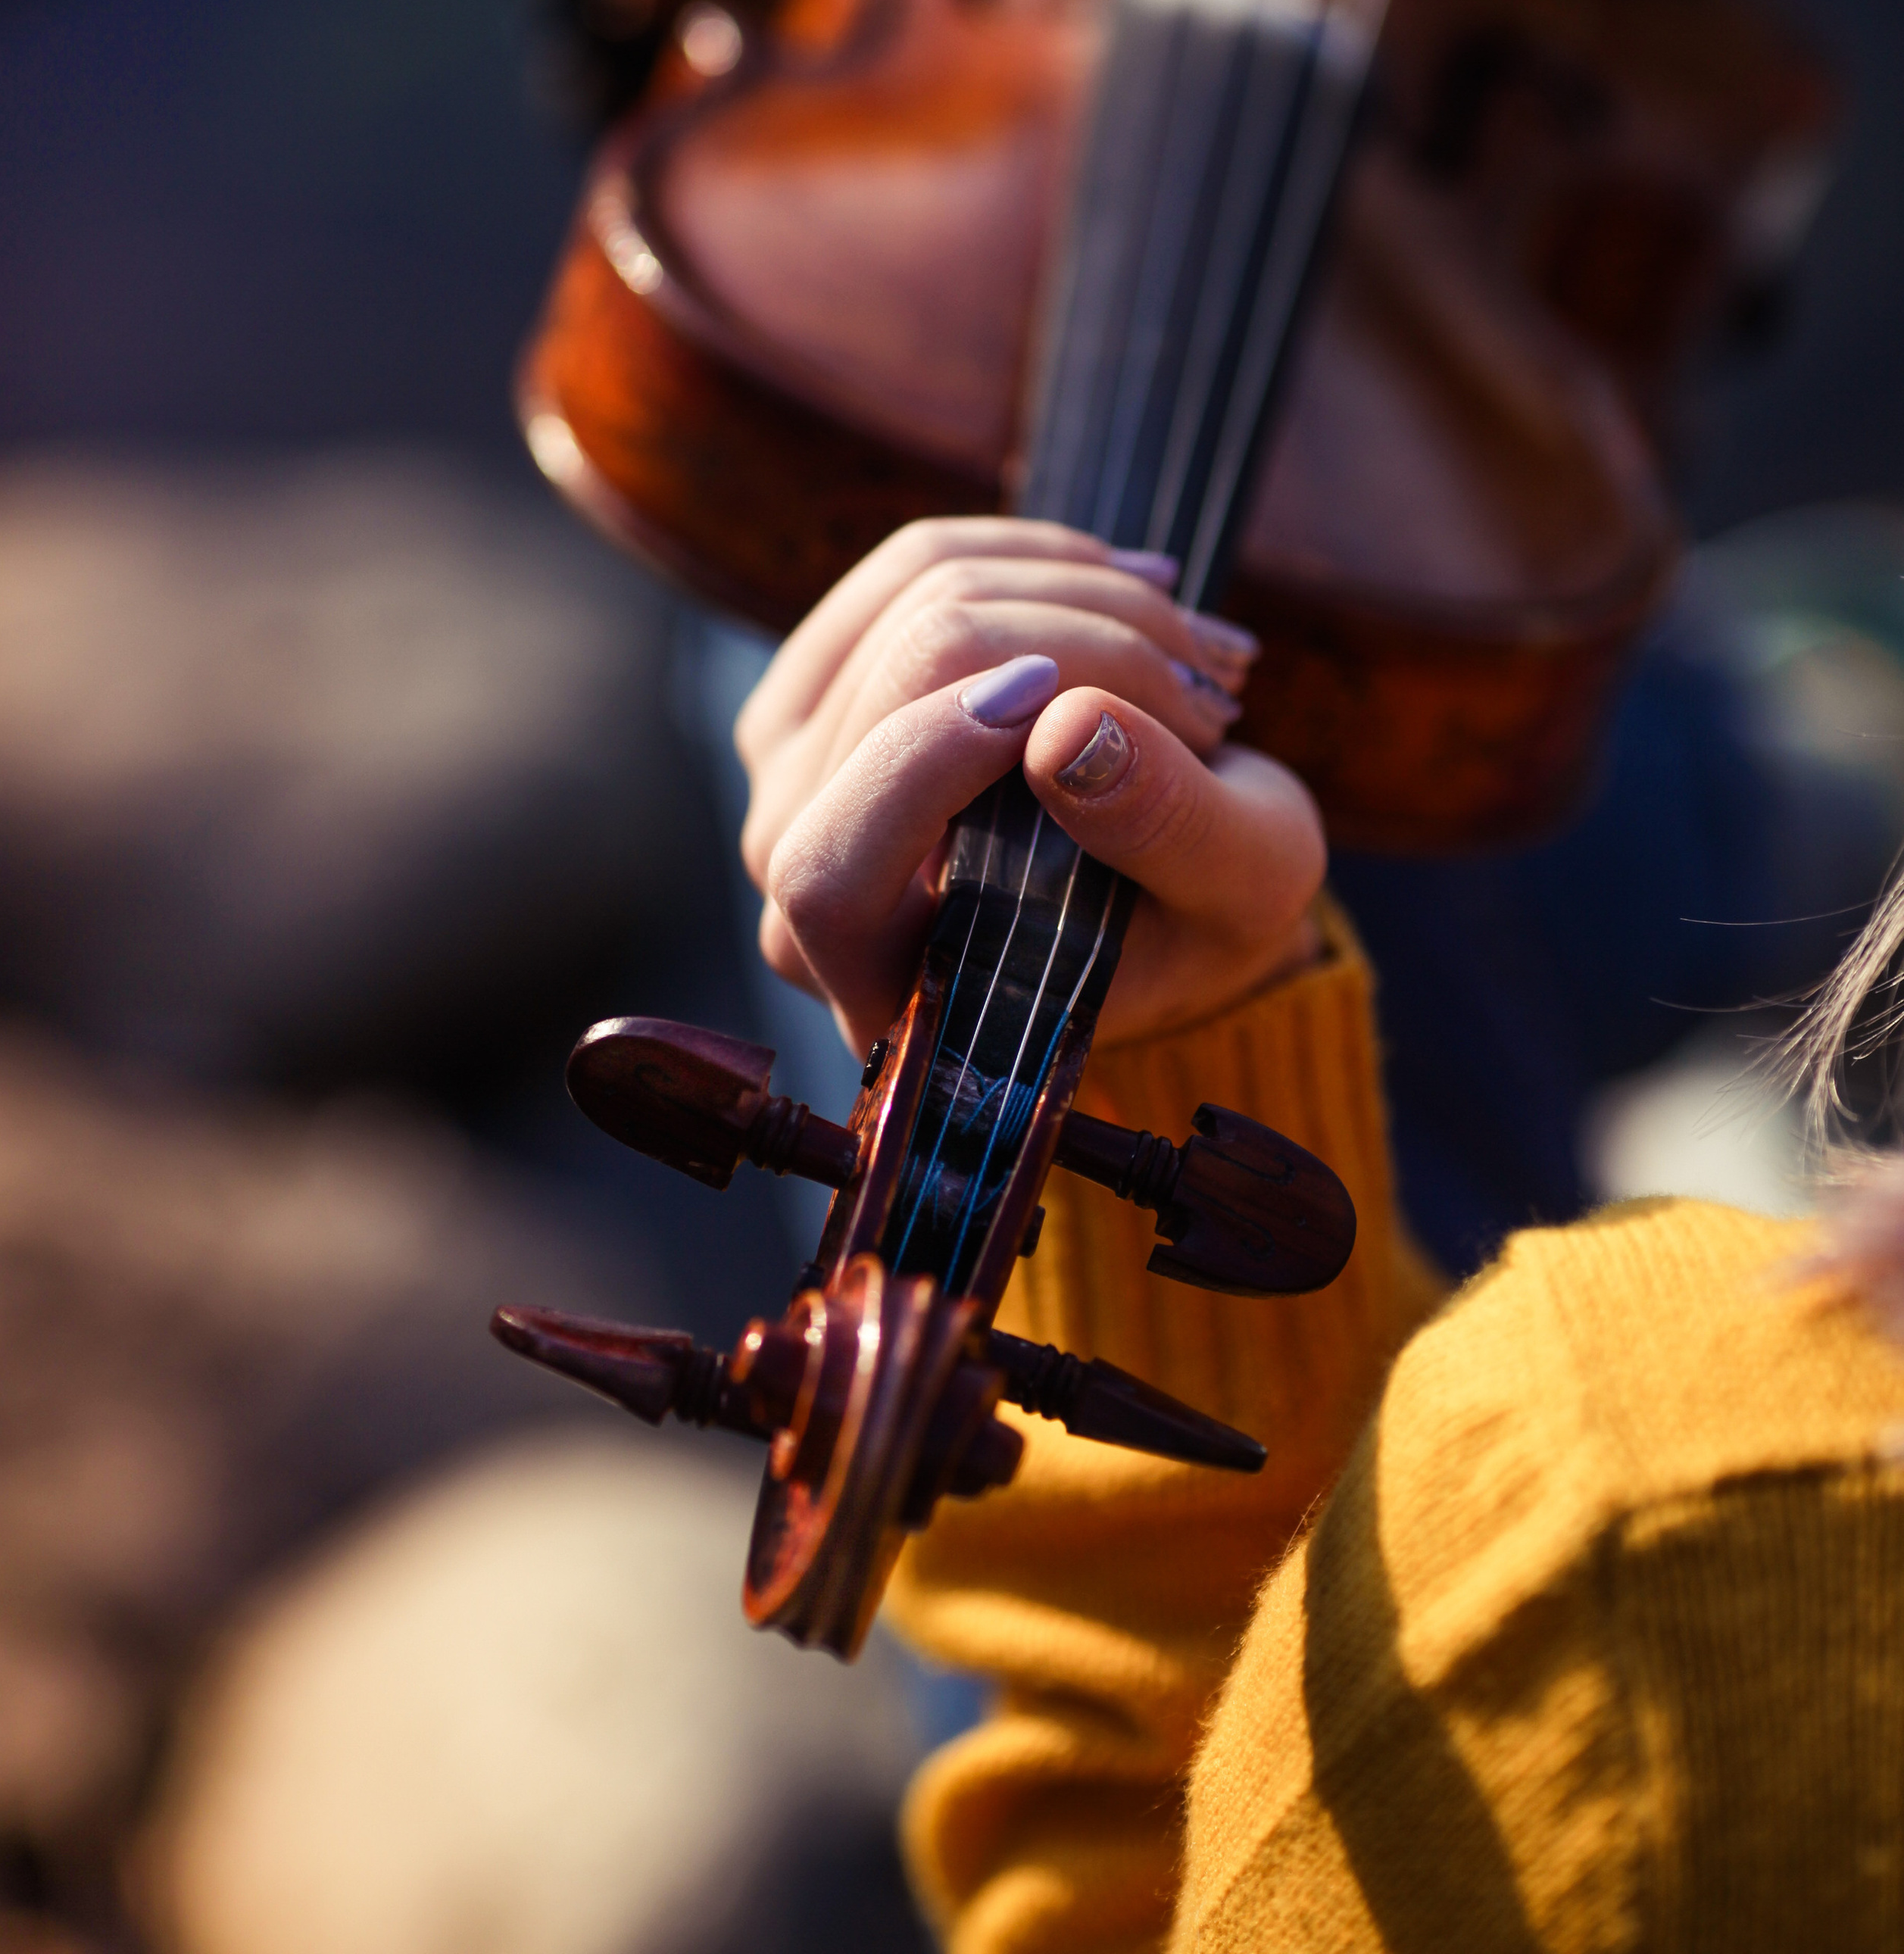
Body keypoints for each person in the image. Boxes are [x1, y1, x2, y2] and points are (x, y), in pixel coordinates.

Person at [733, 519, 1904, 1953]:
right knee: (1369, 646)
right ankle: (1772, 793)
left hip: (1276, 1542)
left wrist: (1162, 1070)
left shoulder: (1642, 1504)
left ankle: (1769, 788)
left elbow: (1189, 1875)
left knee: (836, 591)